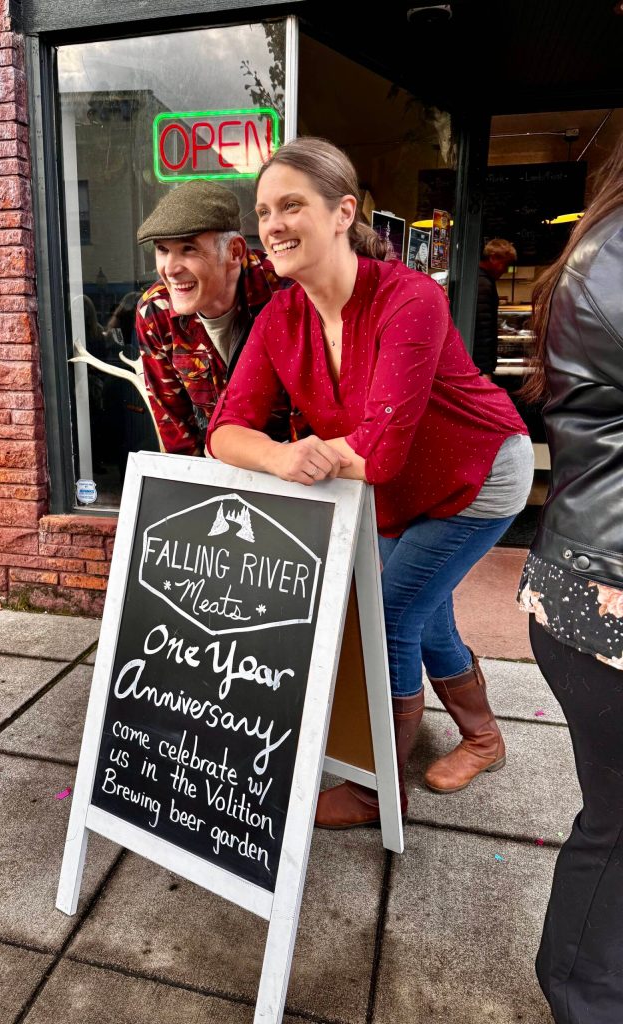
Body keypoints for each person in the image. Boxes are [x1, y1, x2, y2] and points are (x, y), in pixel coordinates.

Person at [207, 137, 533, 829]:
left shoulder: (409, 299)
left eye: (291, 204)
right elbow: (225, 433)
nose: (273, 225)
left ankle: (375, 785)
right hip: (395, 492)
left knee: (387, 616)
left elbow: (377, 454)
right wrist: (282, 458)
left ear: (340, 212)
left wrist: (303, 450)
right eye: (264, 211)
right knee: (424, 608)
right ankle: (483, 738)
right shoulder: (278, 319)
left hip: (480, 474)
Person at [517, 136, 623, 1024]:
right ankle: (583, 994)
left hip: (572, 568)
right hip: (602, 593)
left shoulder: (601, 245)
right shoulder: (616, 249)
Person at [135, 180, 290, 455]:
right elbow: (175, 427)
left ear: (234, 252)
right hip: (215, 466)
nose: (169, 269)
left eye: (188, 249)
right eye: (162, 249)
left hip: (292, 467)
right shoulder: (155, 311)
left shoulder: (285, 290)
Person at [472, 237, 517, 379]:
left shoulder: (478, 279)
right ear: (493, 258)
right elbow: (481, 331)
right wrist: (484, 370)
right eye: (505, 264)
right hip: (479, 366)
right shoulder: (483, 284)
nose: (505, 269)